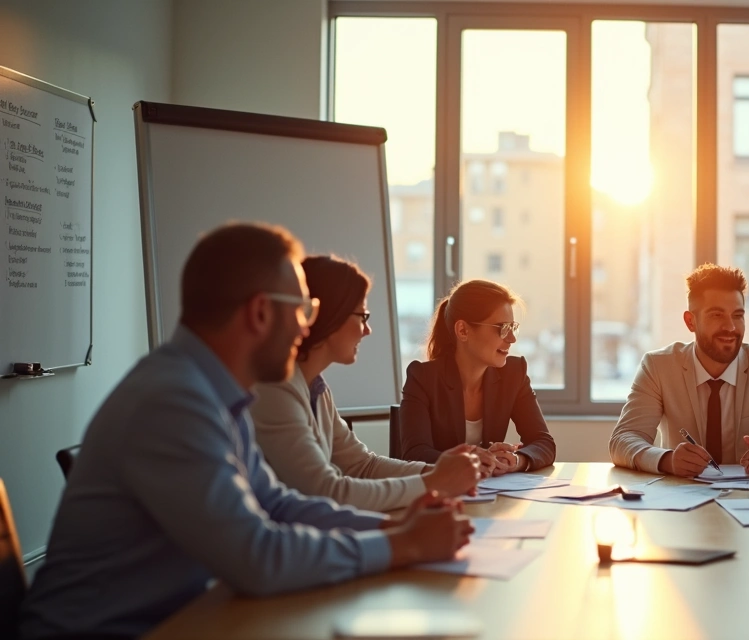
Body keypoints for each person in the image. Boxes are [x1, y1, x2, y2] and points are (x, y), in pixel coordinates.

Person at [20, 223, 473, 639]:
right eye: (303, 309)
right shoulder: (173, 400)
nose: (306, 326)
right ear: (260, 312)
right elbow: (256, 557)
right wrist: (401, 544)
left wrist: (395, 527)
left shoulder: (215, 392)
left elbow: (276, 504)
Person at [250, 255, 479, 512]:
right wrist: (433, 482)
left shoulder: (316, 388)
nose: (367, 330)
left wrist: (438, 470)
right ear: (332, 315)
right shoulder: (275, 389)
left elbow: (362, 465)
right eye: (362, 316)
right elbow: (325, 491)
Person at [609, 264, 749, 477]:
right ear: (690, 322)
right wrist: (668, 460)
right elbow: (623, 440)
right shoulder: (658, 367)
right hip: (681, 493)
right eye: (717, 315)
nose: (730, 327)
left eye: (737, 315)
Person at [400, 280, 556, 474]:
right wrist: (473, 460)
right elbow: (414, 454)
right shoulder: (422, 378)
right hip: (439, 490)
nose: (512, 339)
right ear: (463, 331)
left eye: (512, 327)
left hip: (491, 491)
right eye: (502, 328)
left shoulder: (514, 374)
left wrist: (516, 460)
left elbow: (544, 443)